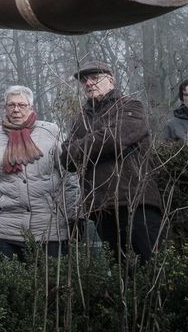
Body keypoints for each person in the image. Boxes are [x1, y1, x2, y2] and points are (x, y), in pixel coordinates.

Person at [61, 62, 163, 265]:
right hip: (100, 206)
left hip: (135, 199)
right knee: (119, 270)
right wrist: (100, 142)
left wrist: (84, 145)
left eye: (95, 77)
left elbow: (116, 138)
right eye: (84, 80)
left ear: (111, 80)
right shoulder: (79, 119)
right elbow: (66, 159)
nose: (89, 83)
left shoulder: (131, 105)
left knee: (148, 266)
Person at [0, 86, 80, 259]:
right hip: (2, 226)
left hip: (48, 226)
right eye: (11, 105)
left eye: (21, 105)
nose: (16, 109)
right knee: (9, 284)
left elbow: (69, 179)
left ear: (31, 107)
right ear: (5, 108)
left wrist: (74, 216)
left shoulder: (51, 132)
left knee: (49, 283)